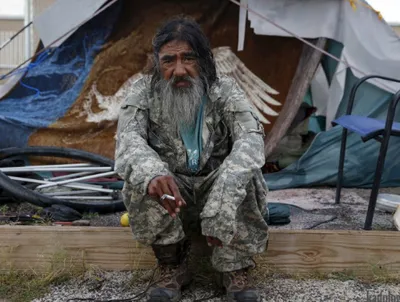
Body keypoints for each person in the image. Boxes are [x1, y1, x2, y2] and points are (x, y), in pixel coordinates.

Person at [115, 16, 269, 302]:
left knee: (246, 176)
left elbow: (251, 139)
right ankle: (171, 266)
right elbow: (128, 141)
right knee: (141, 178)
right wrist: (152, 174)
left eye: (189, 58)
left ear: (205, 60)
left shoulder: (225, 90)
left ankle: (235, 269)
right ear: (158, 63)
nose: (179, 70)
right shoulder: (143, 92)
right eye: (169, 61)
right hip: (175, 194)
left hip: (217, 188)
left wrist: (225, 191)